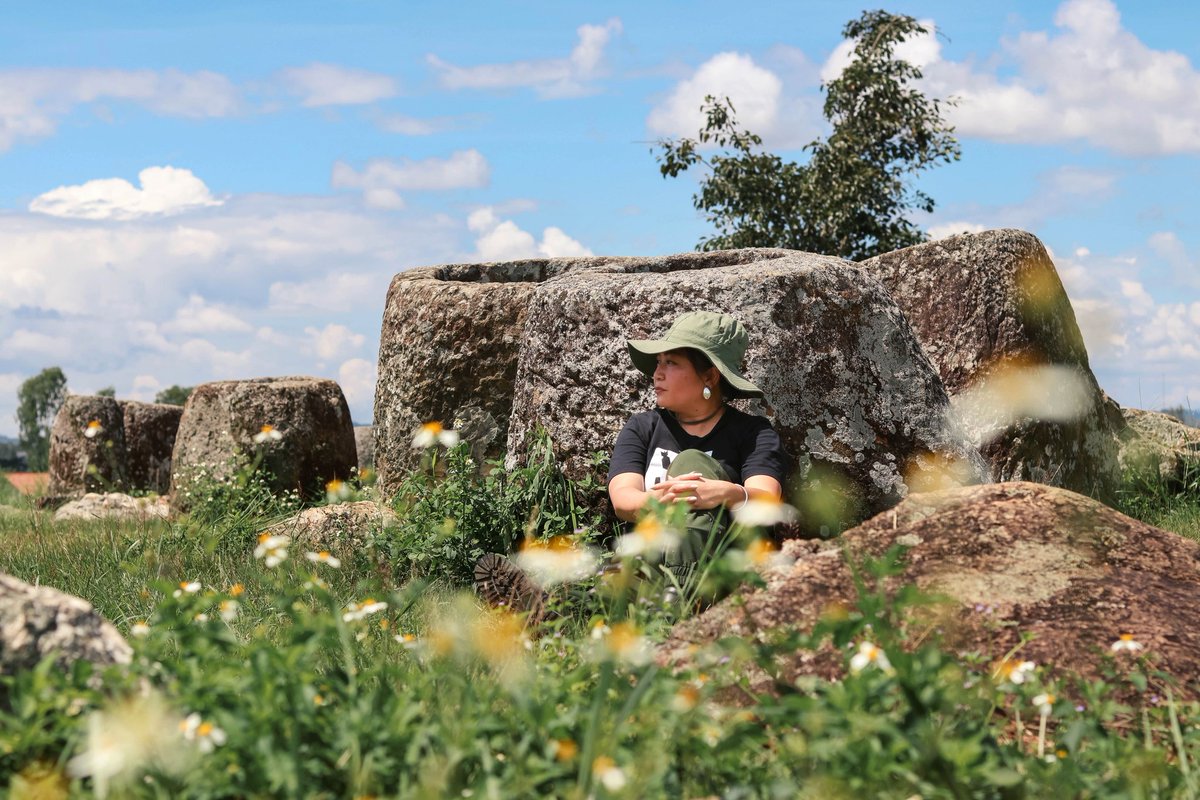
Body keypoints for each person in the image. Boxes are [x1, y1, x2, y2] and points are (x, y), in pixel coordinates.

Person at [607, 310, 789, 568]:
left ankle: (683, 597)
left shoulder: (753, 432)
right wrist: (666, 499)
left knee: (693, 460)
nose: (657, 373)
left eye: (671, 362)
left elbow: (766, 500)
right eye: (658, 362)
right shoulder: (643, 427)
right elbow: (623, 500)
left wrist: (726, 494)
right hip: (654, 562)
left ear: (710, 376)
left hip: (724, 569)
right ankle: (679, 592)